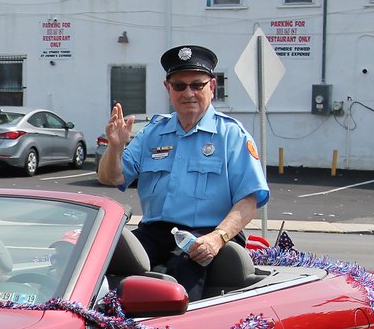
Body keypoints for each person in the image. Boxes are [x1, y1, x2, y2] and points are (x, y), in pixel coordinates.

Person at [98, 44, 269, 300]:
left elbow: (249, 201)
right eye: (179, 85)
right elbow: (112, 177)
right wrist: (114, 147)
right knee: (103, 258)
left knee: (178, 281)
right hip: (155, 233)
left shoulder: (231, 135)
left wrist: (217, 238)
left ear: (212, 87)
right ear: (168, 89)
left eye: (196, 85)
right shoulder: (153, 133)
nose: (188, 92)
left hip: (206, 233)